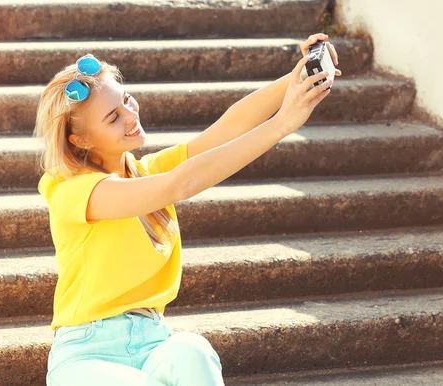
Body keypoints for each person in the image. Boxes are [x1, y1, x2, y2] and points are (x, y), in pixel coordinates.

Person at [34, 34, 341, 386]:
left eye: (127, 100)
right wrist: (283, 124)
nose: (130, 115)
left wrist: (297, 77)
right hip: (87, 354)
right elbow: (179, 184)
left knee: (192, 351)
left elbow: (226, 130)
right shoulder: (71, 190)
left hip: (153, 340)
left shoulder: (144, 171)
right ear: (81, 140)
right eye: (113, 117)